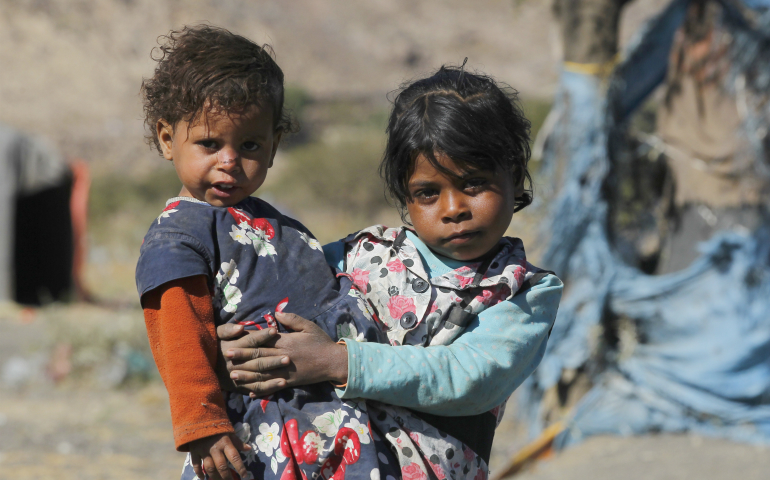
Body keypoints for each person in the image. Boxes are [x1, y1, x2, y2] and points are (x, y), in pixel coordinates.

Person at [215, 66, 564, 478]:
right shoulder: (359, 253)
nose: (454, 209)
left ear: (515, 172)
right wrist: (237, 348)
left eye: (474, 184)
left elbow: (468, 378)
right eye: (428, 193)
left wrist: (338, 361)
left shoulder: (523, 292)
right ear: (404, 195)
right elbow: (280, 299)